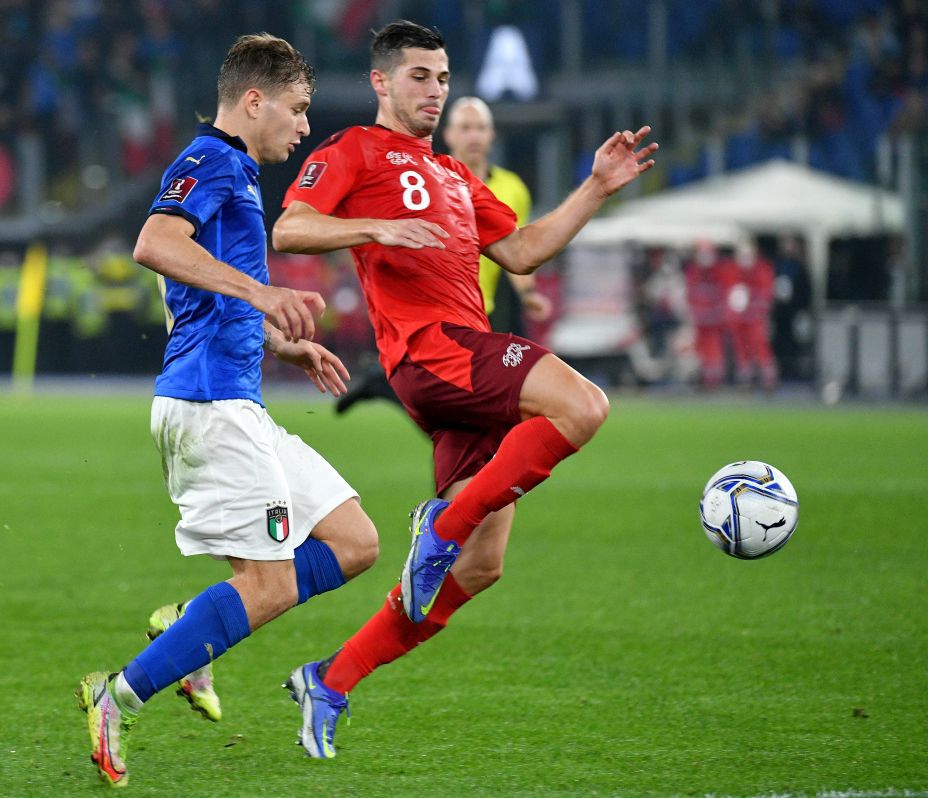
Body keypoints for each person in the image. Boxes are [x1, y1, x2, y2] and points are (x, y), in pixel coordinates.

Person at [271, 20, 657, 758]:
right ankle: (439, 528)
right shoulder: (353, 149)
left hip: (460, 371)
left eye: (443, 78)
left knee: (481, 567)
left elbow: (522, 251)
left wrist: (598, 186)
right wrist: (376, 228)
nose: (434, 91)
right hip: (434, 351)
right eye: (419, 76)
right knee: (583, 404)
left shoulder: (453, 175)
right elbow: (291, 230)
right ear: (382, 82)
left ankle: (332, 679)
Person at [74, 34, 380, 787]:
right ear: (255, 100)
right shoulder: (209, 160)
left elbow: (204, 292)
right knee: (270, 585)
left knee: (353, 540)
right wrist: (264, 293)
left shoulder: (236, 171)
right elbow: (154, 242)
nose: (304, 127)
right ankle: (115, 695)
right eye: (298, 110)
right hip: (208, 406)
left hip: (237, 396)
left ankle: (188, 626)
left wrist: (283, 340)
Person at [334, 94, 551, 415]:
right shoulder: (424, 179)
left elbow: (515, 246)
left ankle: (383, 383)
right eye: (465, 128)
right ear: (448, 134)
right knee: (470, 411)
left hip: (478, 310)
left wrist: (528, 293)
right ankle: (387, 383)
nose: (473, 136)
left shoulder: (513, 187)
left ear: (491, 135)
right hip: (430, 308)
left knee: (461, 411)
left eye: (480, 128)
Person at [722, 239, 778, 391]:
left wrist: (758, 311)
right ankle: (745, 379)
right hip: (740, 320)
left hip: (756, 319)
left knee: (760, 347)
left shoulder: (762, 270)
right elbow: (730, 294)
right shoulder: (733, 271)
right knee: (742, 349)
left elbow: (766, 295)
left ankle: (768, 379)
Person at [684, 239, 729, 390]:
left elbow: (723, 295)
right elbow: (691, 295)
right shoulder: (694, 272)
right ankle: (704, 378)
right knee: (701, 350)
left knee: (714, 350)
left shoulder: (718, 272)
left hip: (713, 321)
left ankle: (714, 380)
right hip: (700, 320)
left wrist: (719, 314)